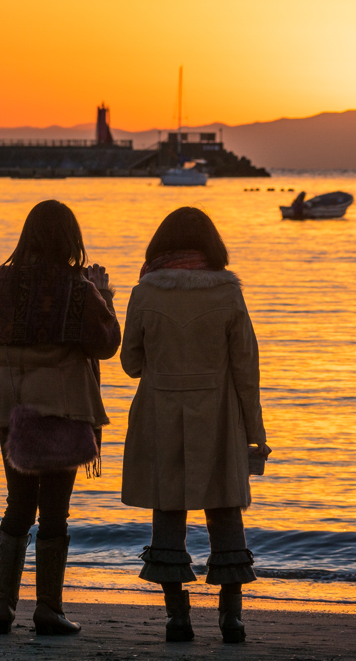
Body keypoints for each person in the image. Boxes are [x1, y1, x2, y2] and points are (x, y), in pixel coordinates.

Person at [0, 200, 121, 635]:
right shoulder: (81, 289)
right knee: (55, 512)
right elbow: (107, 343)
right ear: (70, 239)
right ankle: (48, 610)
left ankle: (2, 607)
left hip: (11, 407)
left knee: (18, 505)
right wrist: (104, 292)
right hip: (65, 407)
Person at [120, 207, 271, 644]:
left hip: (160, 415)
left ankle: (177, 619)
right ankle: (231, 618)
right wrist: (255, 431)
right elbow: (246, 367)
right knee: (224, 511)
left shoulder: (145, 291)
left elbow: (131, 364)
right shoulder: (228, 292)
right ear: (211, 245)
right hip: (219, 418)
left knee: (168, 513)